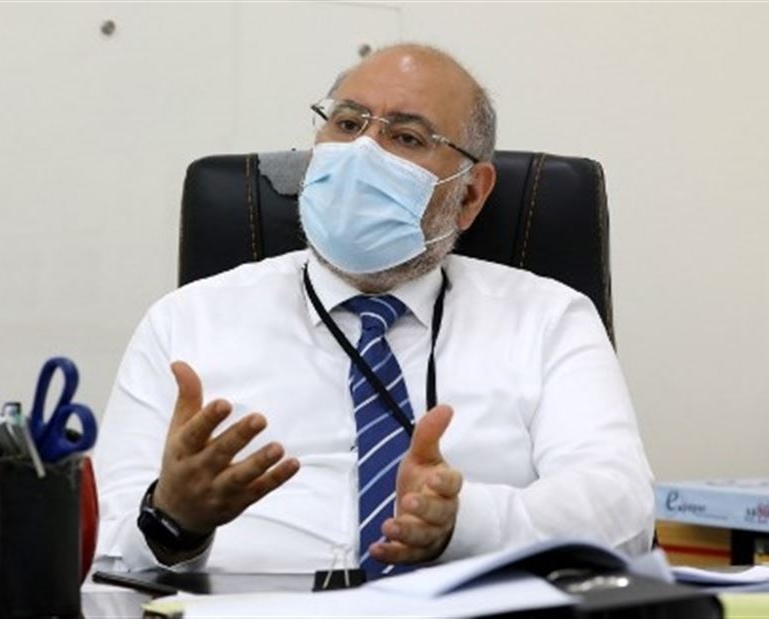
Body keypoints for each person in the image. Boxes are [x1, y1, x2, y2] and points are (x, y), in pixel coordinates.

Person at [93, 43, 654, 576]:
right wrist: (174, 521)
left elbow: (621, 508)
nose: (362, 151)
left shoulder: (548, 319)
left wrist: (464, 521)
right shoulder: (185, 322)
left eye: (407, 137)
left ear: (470, 194)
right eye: (346, 123)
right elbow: (105, 548)